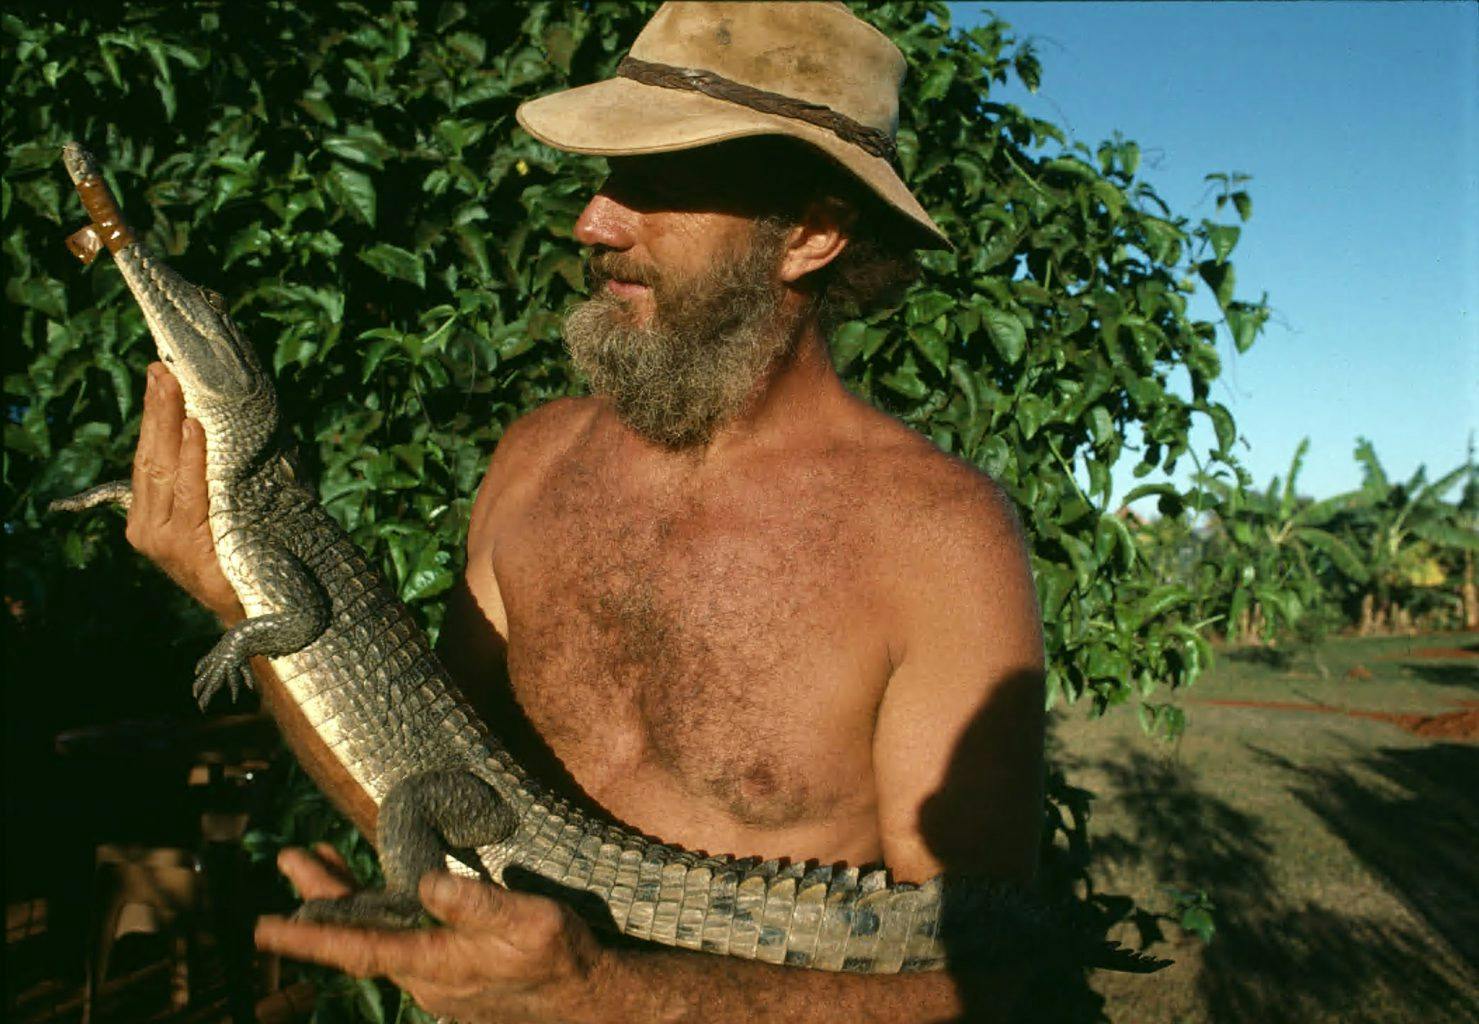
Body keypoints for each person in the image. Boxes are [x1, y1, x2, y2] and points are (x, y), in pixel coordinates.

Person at [128, 3, 1046, 1020]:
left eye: (658, 183)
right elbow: (414, 772)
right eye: (606, 177)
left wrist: (610, 996)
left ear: (814, 233)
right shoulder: (533, 461)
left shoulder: (942, 539)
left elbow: (991, 984)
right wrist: (237, 597)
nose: (591, 222)